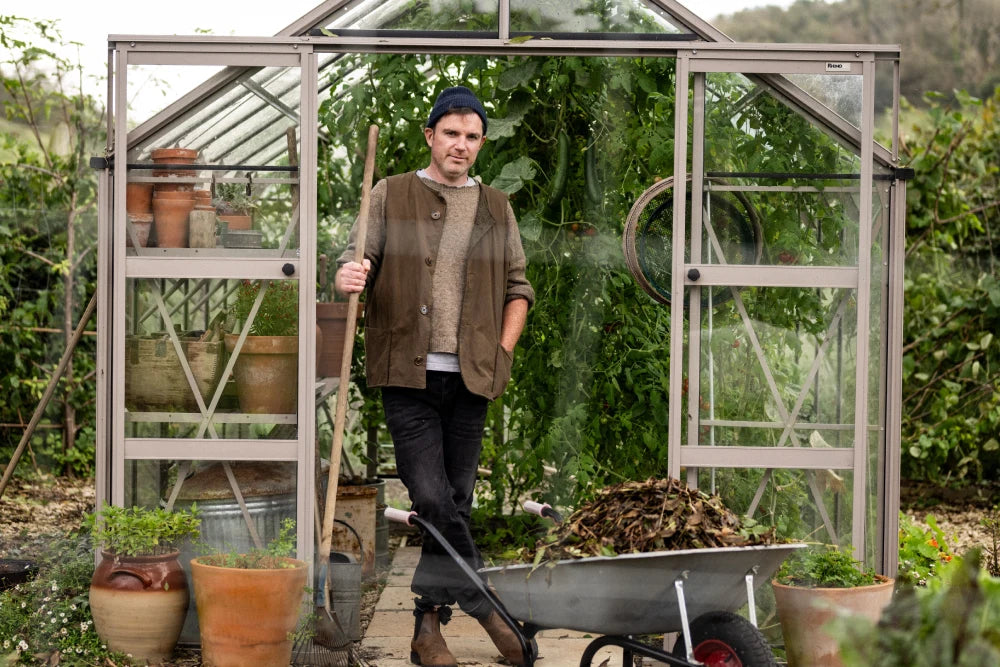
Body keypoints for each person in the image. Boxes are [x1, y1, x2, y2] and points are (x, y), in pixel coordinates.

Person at [335, 85, 534, 667]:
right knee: (430, 497)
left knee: (455, 505)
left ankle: (426, 634)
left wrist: (500, 351)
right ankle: (490, 608)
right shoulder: (390, 193)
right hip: (408, 375)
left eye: (473, 137)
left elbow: (518, 289)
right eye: (452, 133)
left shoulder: (497, 207)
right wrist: (347, 277)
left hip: (473, 377)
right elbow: (356, 265)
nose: (462, 145)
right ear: (430, 136)